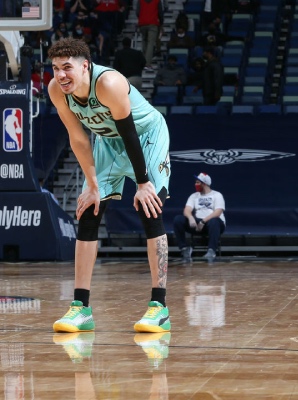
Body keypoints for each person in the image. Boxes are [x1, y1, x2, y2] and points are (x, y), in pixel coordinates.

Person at [47, 38, 172, 333]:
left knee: (149, 207)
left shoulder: (109, 83)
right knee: (89, 211)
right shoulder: (56, 91)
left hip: (145, 136)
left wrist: (143, 183)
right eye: (55, 68)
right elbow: (78, 139)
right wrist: (91, 185)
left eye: (67, 68)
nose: (61, 75)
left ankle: (160, 308)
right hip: (107, 141)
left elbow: (129, 133)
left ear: (85, 66)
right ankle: (81, 308)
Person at [172, 172, 226, 262]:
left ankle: (211, 251)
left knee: (214, 221)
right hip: (197, 224)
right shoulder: (194, 196)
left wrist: (203, 221)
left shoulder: (217, 195)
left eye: (197, 182)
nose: (195, 184)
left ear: (204, 184)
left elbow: (218, 212)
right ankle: (184, 249)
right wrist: (190, 218)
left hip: (213, 223)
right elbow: (187, 209)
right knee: (178, 219)